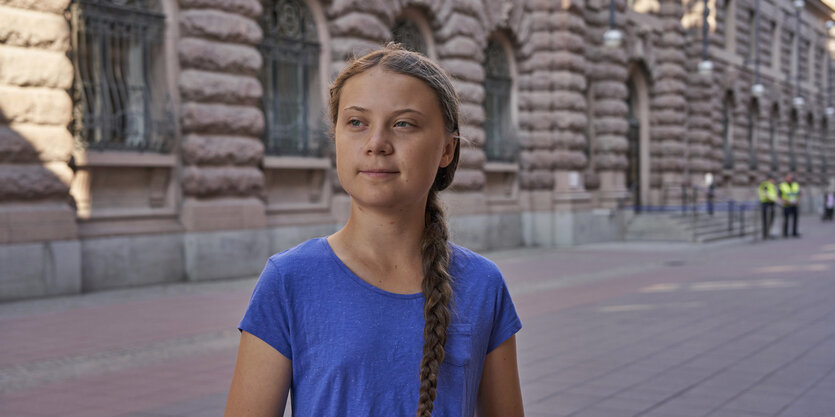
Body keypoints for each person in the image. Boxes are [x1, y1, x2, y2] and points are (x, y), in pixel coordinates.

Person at [225, 44, 524, 417]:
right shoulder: (289, 281)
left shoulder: (483, 284)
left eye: (403, 124)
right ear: (335, 137)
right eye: (356, 123)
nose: (376, 144)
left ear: (447, 149)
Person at [779, 173, 801, 238]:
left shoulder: (795, 185)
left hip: (795, 205)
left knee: (795, 219)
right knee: (786, 219)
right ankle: (785, 233)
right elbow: (779, 196)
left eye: (790, 177)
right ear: (785, 178)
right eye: (788, 177)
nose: (789, 179)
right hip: (786, 205)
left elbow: (799, 194)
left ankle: (794, 232)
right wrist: (786, 201)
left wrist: (798, 201)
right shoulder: (782, 185)